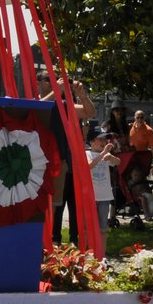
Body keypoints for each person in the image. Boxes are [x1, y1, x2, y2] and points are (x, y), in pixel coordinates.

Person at [35, 65, 95, 243]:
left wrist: (82, 94)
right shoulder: (35, 100)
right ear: (39, 83)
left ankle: (49, 244)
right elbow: (37, 109)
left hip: (58, 162)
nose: (55, 82)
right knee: (35, 206)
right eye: (49, 79)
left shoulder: (63, 105)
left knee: (54, 206)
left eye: (56, 79)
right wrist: (56, 90)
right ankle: (37, 241)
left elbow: (89, 112)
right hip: (35, 163)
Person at [85, 125, 119, 232]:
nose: (103, 141)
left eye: (105, 139)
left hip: (104, 196)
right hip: (91, 197)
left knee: (103, 227)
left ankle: (101, 249)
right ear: (91, 142)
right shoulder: (87, 153)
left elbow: (118, 162)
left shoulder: (106, 154)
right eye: (100, 139)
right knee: (89, 226)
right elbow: (89, 166)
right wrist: (103, 154)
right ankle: (89, 248)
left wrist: (112, 158)